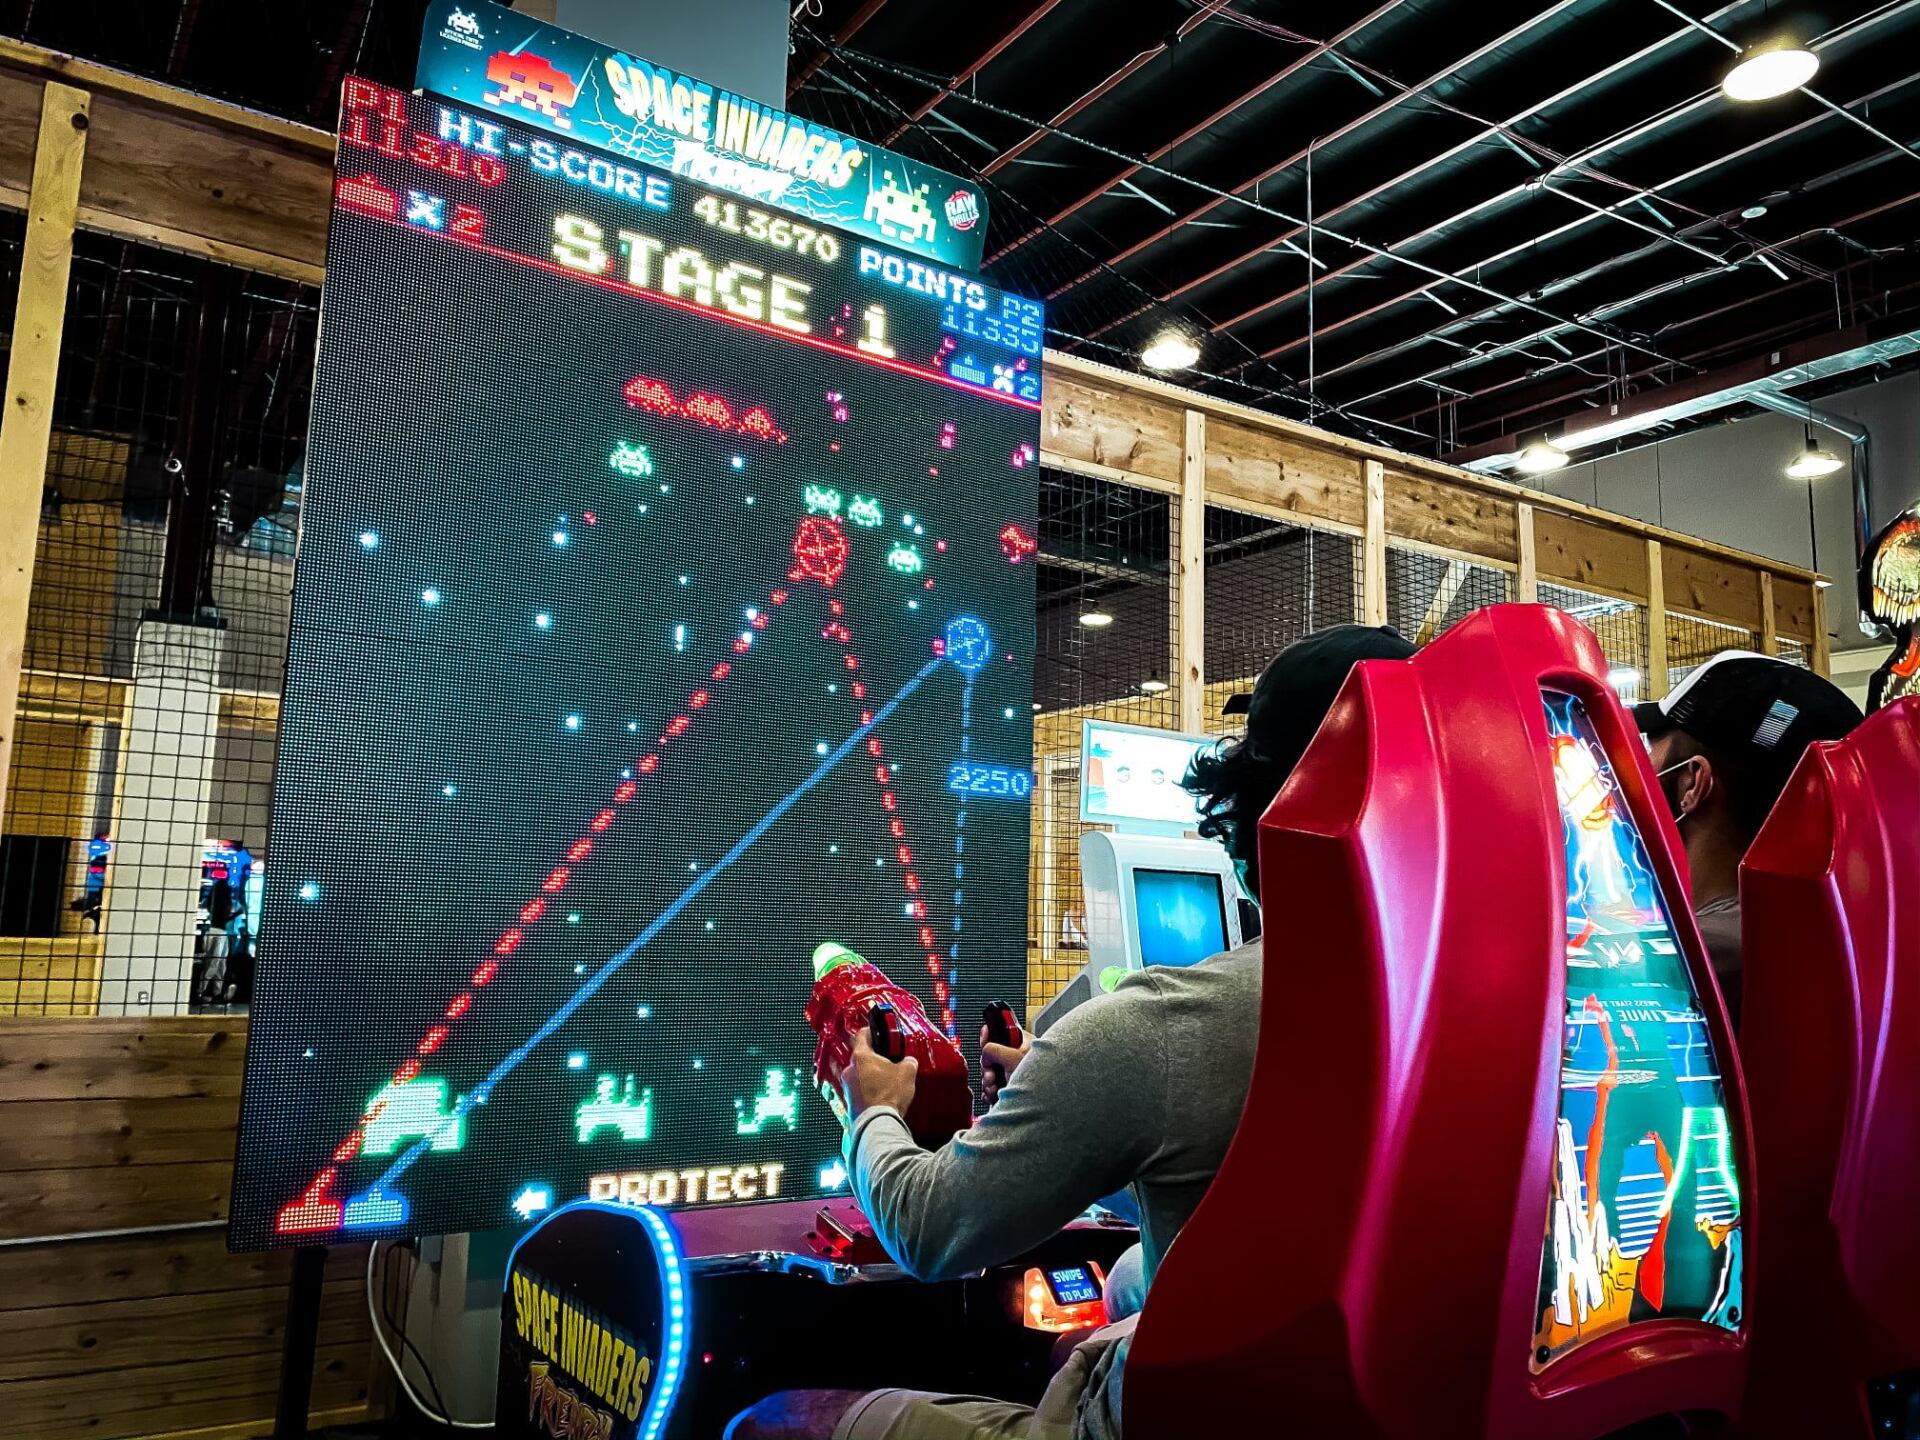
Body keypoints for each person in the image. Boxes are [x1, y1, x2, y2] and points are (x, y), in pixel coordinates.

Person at [727, 625, 1417, 1440]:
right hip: (1379, 1396)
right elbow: (1232, 1189)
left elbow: (928, 1229)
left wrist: (873, 1107)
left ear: (1251, 817)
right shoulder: (1504, 1010)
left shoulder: (1158, 1028)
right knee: (1107, 1315)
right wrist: (1070, 1110)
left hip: (1203, 1413)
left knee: (776, 1422)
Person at [1634, 650, 1862, 1026]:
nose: (1633, 780)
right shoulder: (1822, 937)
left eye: (1647, 757)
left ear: (1693, 782)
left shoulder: (1689, 956)